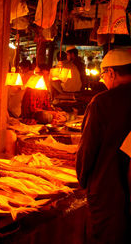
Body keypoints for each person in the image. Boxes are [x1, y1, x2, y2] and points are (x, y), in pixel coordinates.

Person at [76, 49, 131, 243]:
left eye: (103, 75)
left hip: (107, 189)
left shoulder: (102, 103)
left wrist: (82, 180)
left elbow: (88, 148)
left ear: (112, 73)